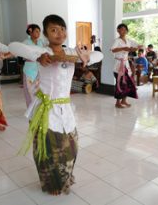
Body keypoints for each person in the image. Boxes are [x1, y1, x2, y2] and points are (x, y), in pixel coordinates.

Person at [9, 14, 103, 195]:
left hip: (65, 107)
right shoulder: (42, 52)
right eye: (53, 30)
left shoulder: (71, 52)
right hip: (46, 107)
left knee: (72, 146)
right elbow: (13, 46)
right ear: (45, 34)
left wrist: (82, 58)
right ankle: (52, 183)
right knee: (49, 148)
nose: (59, 33)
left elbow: (100, 54)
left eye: (62, 29)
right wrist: (37, 58)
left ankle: (65, 176)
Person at [111, 23, 138, 108]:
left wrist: (135, 48)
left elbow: (134, 47)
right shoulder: (117, 41)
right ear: (118, 30)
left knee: (128, 83)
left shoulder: (128, 40)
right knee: (120, 83)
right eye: (121, 29)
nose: (123, 31)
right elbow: (112, 50)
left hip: (126, 64)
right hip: (119, 65)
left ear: (127, 31)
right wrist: (123, 48)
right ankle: (117, 103)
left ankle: (124, 100)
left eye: (125, 29)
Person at [22, 24, 44, 107]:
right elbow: (21, 53)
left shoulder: (41, 42)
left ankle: (39, 107)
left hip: (40, 68)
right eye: (36, 31)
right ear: (30, 32)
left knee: (40, 89)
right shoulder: (26, 42)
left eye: (39, 32)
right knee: (29, 89)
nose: (38, 33)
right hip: (29, 69)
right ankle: (30, 107)